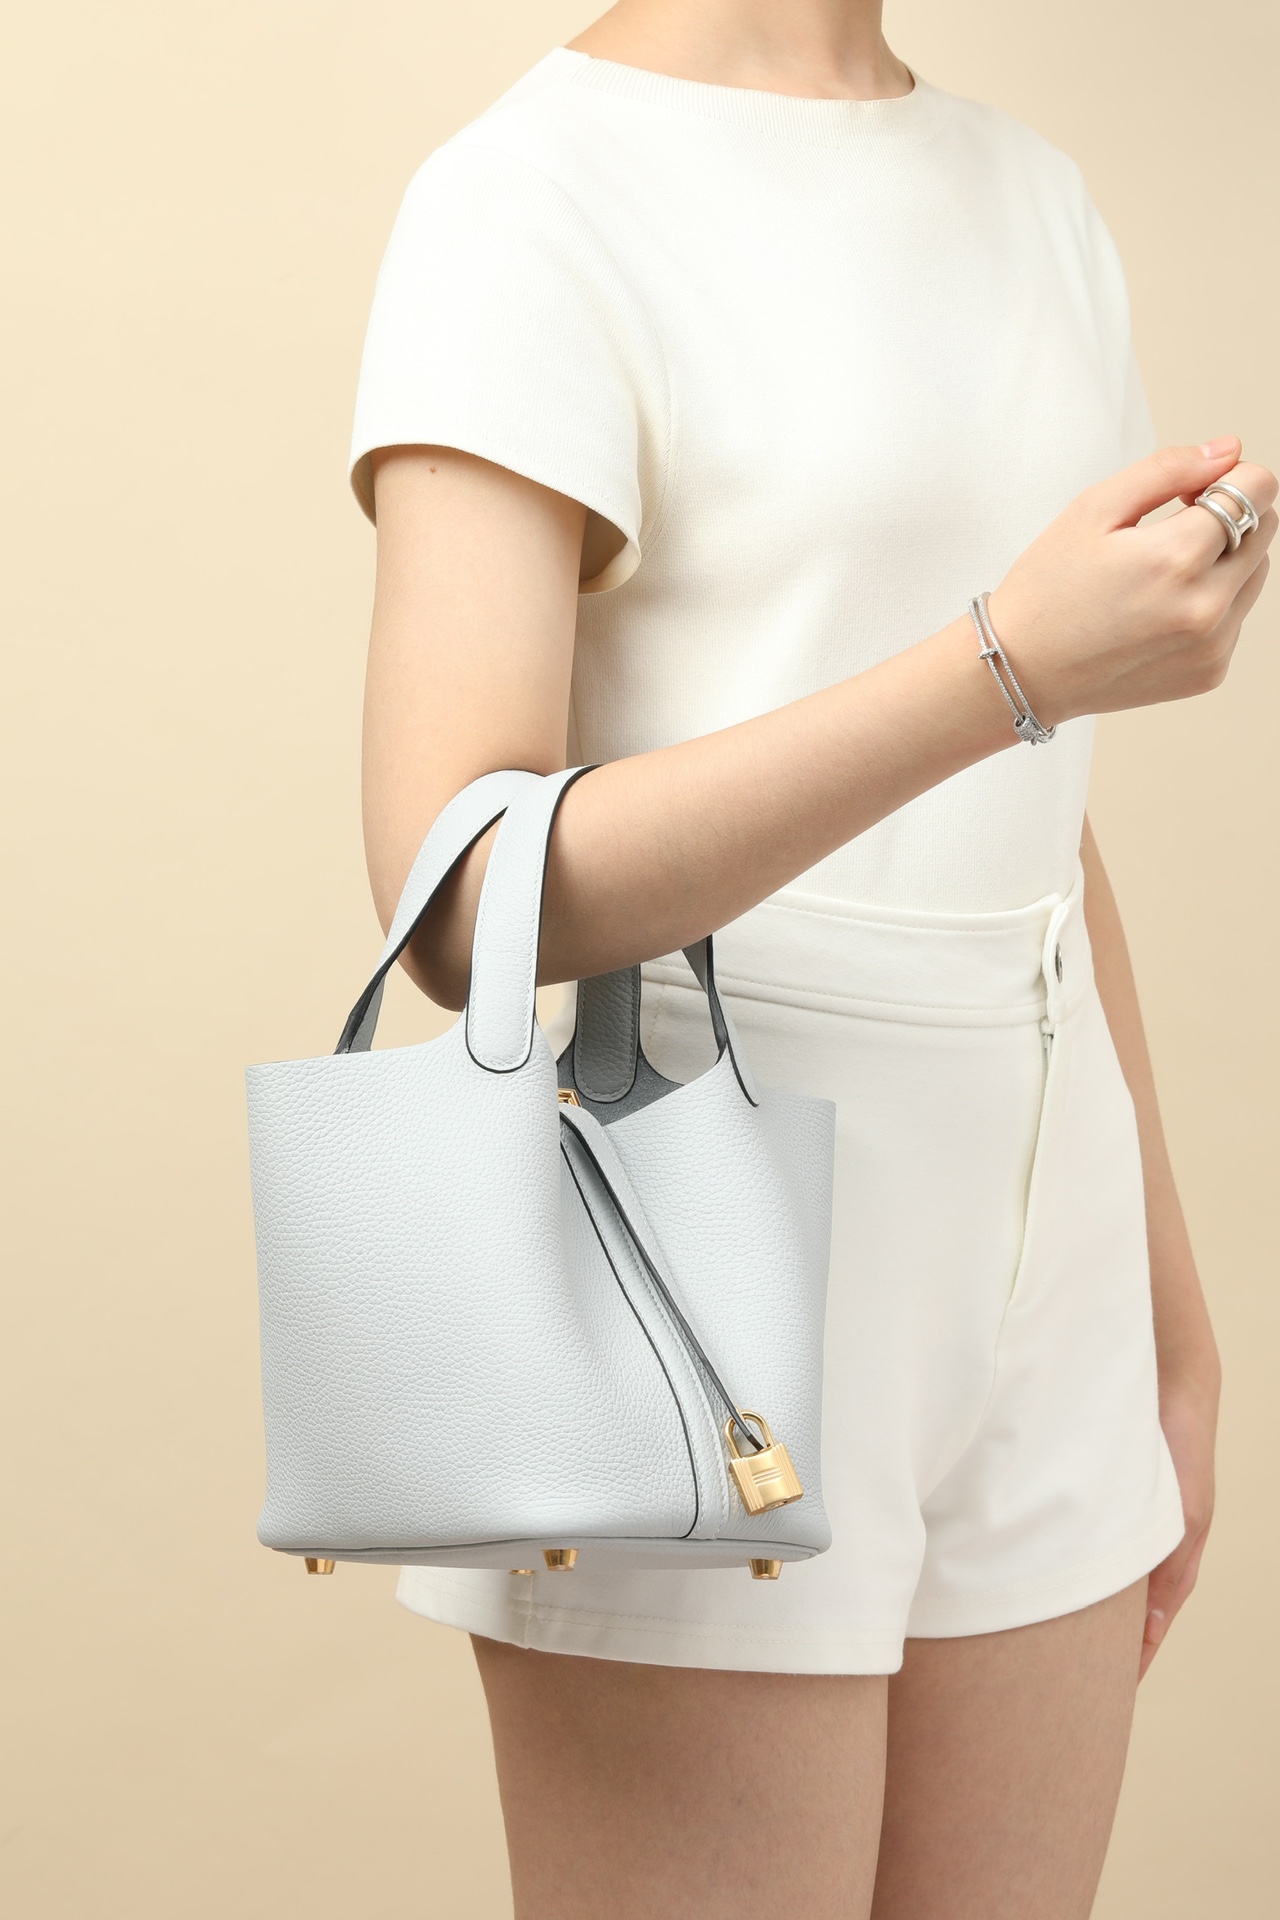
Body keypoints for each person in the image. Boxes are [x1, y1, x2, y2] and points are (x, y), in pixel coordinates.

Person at [350, 2, 1275, 1913]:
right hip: (685, 1218)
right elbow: (458, 894)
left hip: (1050, 1226)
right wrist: (1005, 663)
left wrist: (1167, 1312)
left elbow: (1037, 806)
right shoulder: (530, 197)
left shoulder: (1033, 194)